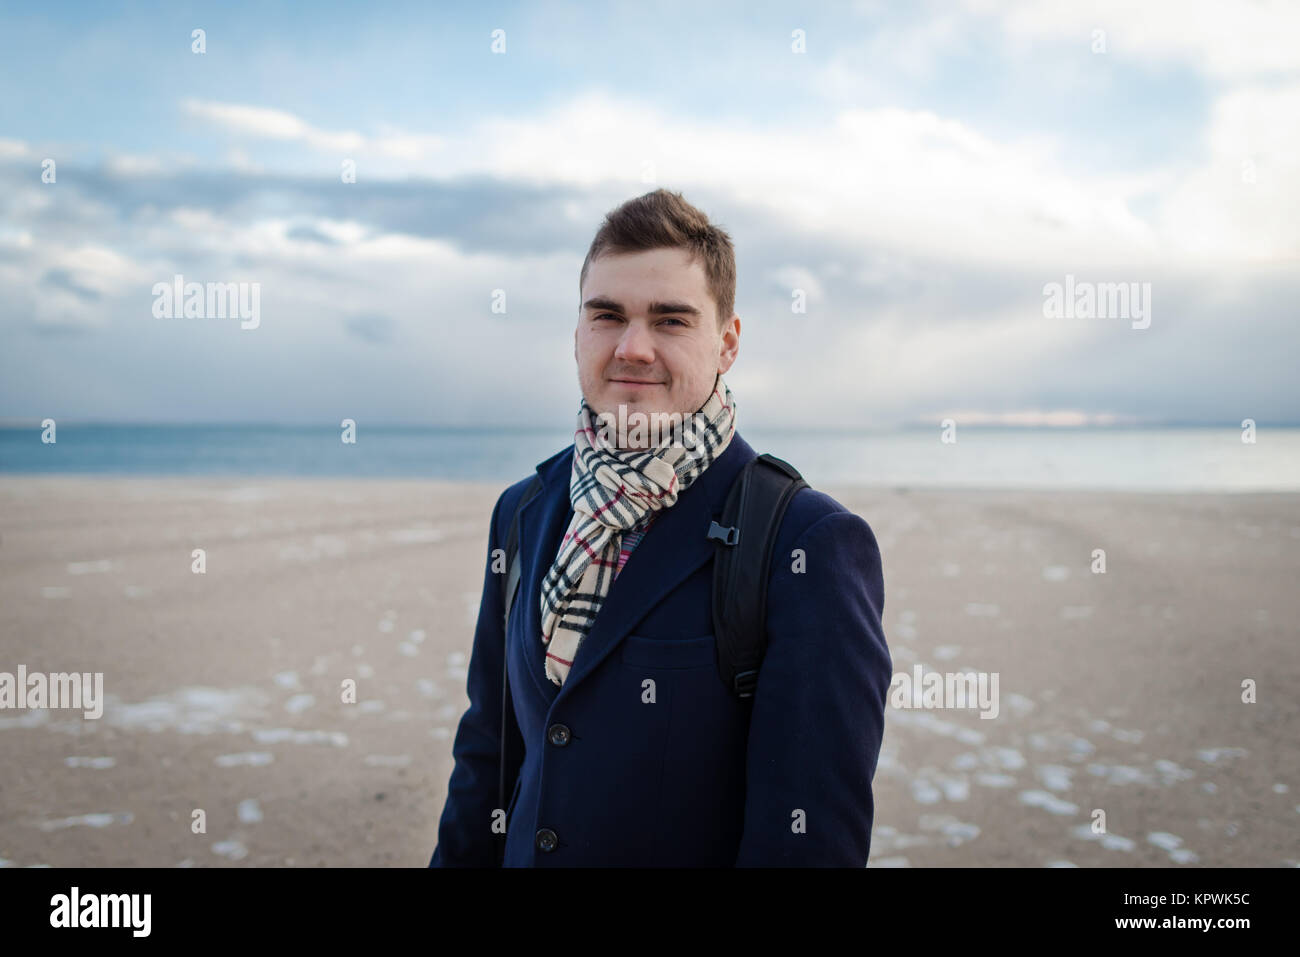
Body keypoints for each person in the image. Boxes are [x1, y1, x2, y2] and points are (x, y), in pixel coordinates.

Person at [428, 188, 892, 866]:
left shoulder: (805, 541)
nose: (633, 347)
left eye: (670, 320)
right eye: (607, 315)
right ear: (578, 332)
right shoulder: (523, 510)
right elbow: (488, 758)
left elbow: (806, 841)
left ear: (727, 343)